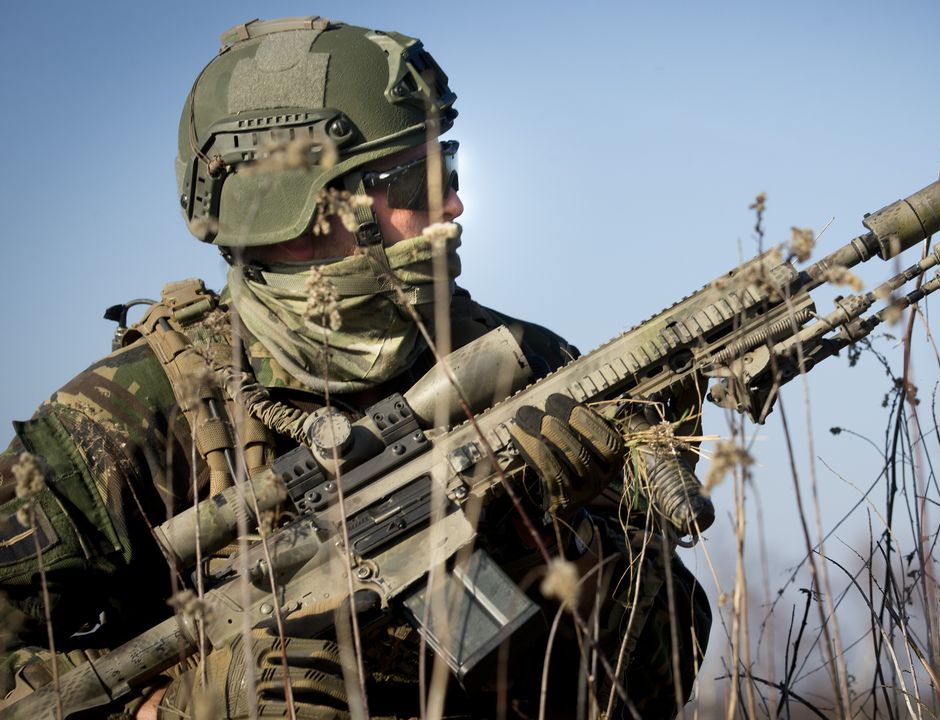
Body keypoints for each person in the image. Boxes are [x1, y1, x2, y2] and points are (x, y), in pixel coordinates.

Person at [0, 17, 709, 720]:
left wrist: (566, 548)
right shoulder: (120, 417)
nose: (454, 203)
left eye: (450, 167)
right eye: (418, 179)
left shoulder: (528, 368)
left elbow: (657, 682)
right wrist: (192, 706)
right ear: (301, 203)